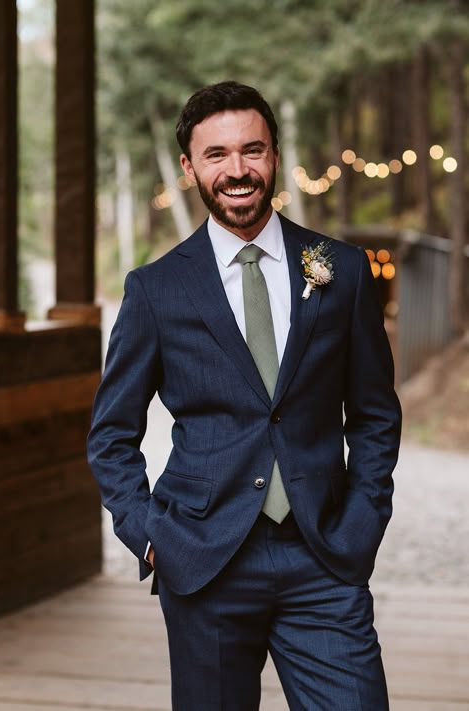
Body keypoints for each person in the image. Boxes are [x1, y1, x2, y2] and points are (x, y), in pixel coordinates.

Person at [87, 80, 401, 710]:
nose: (237, 170)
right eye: (217, 155)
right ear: (190, 167)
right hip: (204, 564)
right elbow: (111, 434)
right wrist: (148, 532)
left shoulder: (340, 270)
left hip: (324, 558)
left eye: (251, 150)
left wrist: (364, 518)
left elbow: (373, 415)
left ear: (274, 155)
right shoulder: (156, 289)